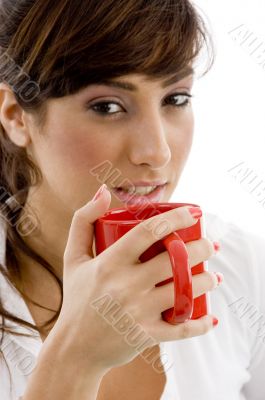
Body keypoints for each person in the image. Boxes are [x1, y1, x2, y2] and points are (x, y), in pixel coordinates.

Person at [0, 1, 264, 399]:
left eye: (175, 99)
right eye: (107, 107)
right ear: (16, 115)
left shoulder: (240, 266)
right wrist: (74, 359)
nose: (157, 152)